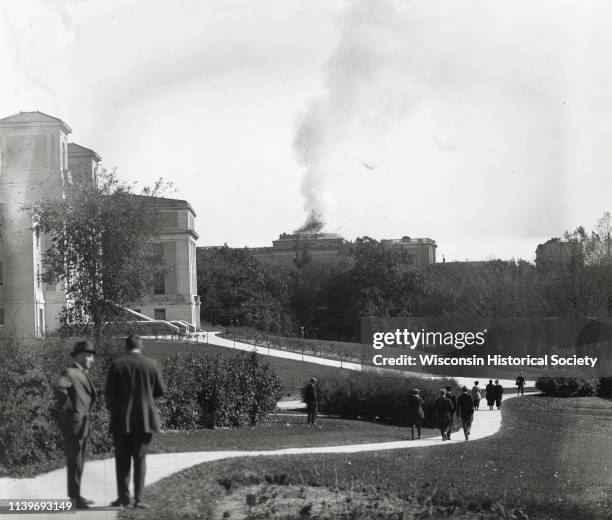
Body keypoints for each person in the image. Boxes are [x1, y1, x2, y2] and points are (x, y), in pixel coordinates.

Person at [105, 335, 165, 509]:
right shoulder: (152, 364)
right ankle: (139, 499)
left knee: (122, 460)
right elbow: (161, 390)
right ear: (141, 346)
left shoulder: (117, 365)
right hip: (145, 419)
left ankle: (124, 498)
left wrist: (114, 409)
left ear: (126, 346)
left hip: (121, 418)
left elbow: (109, 393)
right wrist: (147, 399)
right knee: (140, 459)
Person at [55, 340, 97, 509]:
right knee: (75, 460)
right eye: (88, 356)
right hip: (74, 423)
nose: (91, 360)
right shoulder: (70, 372)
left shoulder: (82, 373)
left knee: (78, 460)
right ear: (79, 356)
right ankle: (74, 498)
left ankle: (76, 495)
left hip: (81, 424)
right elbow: (58, 386)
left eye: (92, 357)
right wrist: (69, 408)